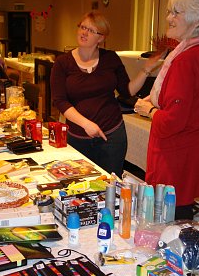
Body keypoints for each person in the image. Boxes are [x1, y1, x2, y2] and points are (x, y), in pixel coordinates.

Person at [134, 0, 199, 219]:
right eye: (169, 11)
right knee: (182, 218)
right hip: (195, 156)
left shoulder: (186, 60)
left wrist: (149, 110)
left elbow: (172, 122)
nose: (169, 18)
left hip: (175, 160)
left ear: (197, 20)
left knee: (167, 224)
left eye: (176, 12)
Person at [50, 11, 148, 177]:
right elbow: (60, 101)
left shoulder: (110, 58)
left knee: (110, 184)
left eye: (91, 30)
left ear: (101, 38)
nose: (84, 32)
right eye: (82, 27)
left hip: (112, 137)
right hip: (78, 137)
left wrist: (146, 70)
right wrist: (86, 124)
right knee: (79, 184)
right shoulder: (62, 63)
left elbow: (127, 91)